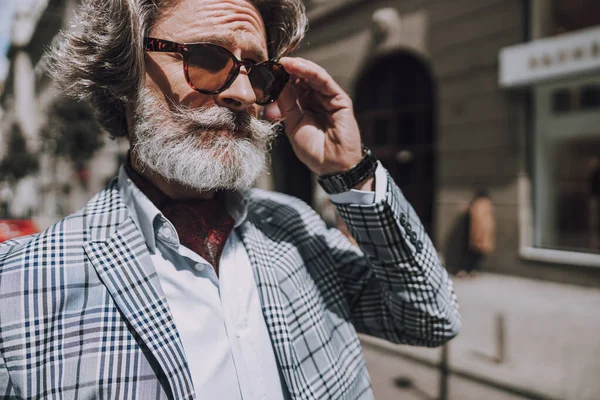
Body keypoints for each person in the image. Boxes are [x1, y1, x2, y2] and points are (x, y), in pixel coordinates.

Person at [0, 0, 460, 398]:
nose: (243, 94)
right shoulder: (19, 289)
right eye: (206, 59)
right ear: (123, 74)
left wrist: (351, 172)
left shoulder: (293, 226)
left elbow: (429, 317)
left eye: (258, 73)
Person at [461, 188, 496, 277]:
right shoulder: (488, 204)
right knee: (477, 254)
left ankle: (467, 270)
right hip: (484, 233)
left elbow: (477, 219)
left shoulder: (479, 204)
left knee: (472, 253)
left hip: (477, 233)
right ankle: (473, 270)